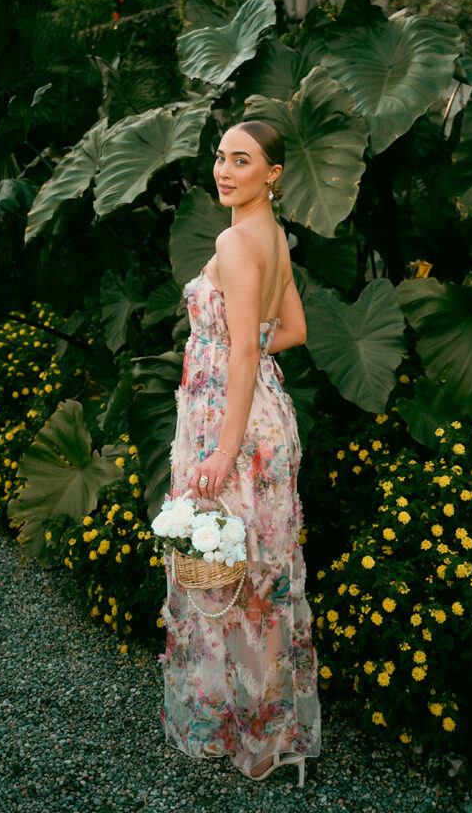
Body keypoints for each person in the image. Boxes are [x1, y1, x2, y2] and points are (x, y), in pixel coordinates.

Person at [159, 120, 321, 784]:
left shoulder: (234, 239)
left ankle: (234, 727)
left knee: (232, 576)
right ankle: (265, 726)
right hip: (263, 413)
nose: (225, 171)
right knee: (259, 576)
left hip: (232, 425)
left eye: (243, 161)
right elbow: (294, 330)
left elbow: (256, 344)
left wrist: (223, 450)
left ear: (273, 173)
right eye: (221, 157)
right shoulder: (271, 236)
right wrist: (225, 351)